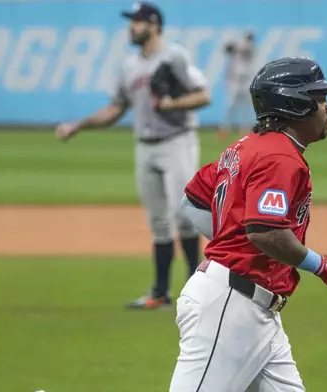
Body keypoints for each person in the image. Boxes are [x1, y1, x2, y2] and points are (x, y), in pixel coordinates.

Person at [169, 57, 327, 391]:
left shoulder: (246, 147)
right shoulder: (279, 157)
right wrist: (324, 267)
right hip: (230, 309)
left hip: (254, 310)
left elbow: (193, 201)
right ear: (296, 104)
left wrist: (231, 244)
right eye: (319, 99)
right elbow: (265, 232)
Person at [55, 2, 211, 309]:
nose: (131, 27)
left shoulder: (175, 56)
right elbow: (116, 108)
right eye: (131, 21)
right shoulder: (129, 66)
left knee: (184, 216)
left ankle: (199, 292)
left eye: (137, 21)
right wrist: (79, 125)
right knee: (158, 222)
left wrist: (171, 105)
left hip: (177, 142)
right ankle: (160, 293)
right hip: (144, 145)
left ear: (153, 25)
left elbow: (203, 95)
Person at [216, 31, 257, 141]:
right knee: (229, 106)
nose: (249, 40)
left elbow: (245, 49)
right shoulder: (240, 45)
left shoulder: (250, 47)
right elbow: (227, 49)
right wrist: (235, 45)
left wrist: (237, 45)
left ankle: (244, 131)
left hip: (245, 81)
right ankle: (224, 129)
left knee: (246, 108)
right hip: (234, 81)